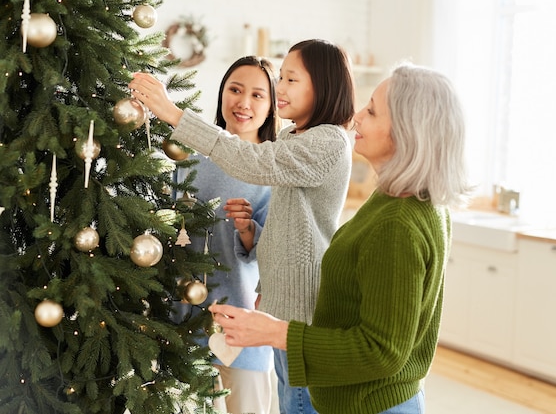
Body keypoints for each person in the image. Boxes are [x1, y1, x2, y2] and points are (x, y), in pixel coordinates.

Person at [207, 63, 472, 414]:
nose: (357, 117)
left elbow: (381, 351)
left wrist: (276, 332)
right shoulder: (406, 201)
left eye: (373, 111)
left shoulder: (399, 224)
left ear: (408, 131)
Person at [130, 39, 355, 414]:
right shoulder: (292, 139)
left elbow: (248, 160)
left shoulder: (327, 142)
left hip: (297, 320)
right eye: (280, 78)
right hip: (270, 315)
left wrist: (172, 112)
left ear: (324, 85)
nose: (281, 89)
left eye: (290, 80)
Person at [172, 56, 280, 414]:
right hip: (182, 318)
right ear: (221, 95)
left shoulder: (273, 167)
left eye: (257, 95)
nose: (243, 102)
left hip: (240, 324)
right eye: (235, 89)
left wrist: (248, 228)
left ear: (271, 106)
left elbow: (274, 253)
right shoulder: (189, 158)